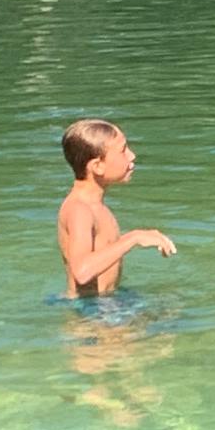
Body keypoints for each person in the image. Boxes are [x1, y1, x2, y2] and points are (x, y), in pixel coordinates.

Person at [57, 119, 176, 298]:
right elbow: (81, 272)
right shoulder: (79, 210)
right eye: (123, 151)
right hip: (89, 309)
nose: (132, 155)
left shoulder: (94, 205)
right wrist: (133, 237)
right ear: (98, 166)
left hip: (108, 300)